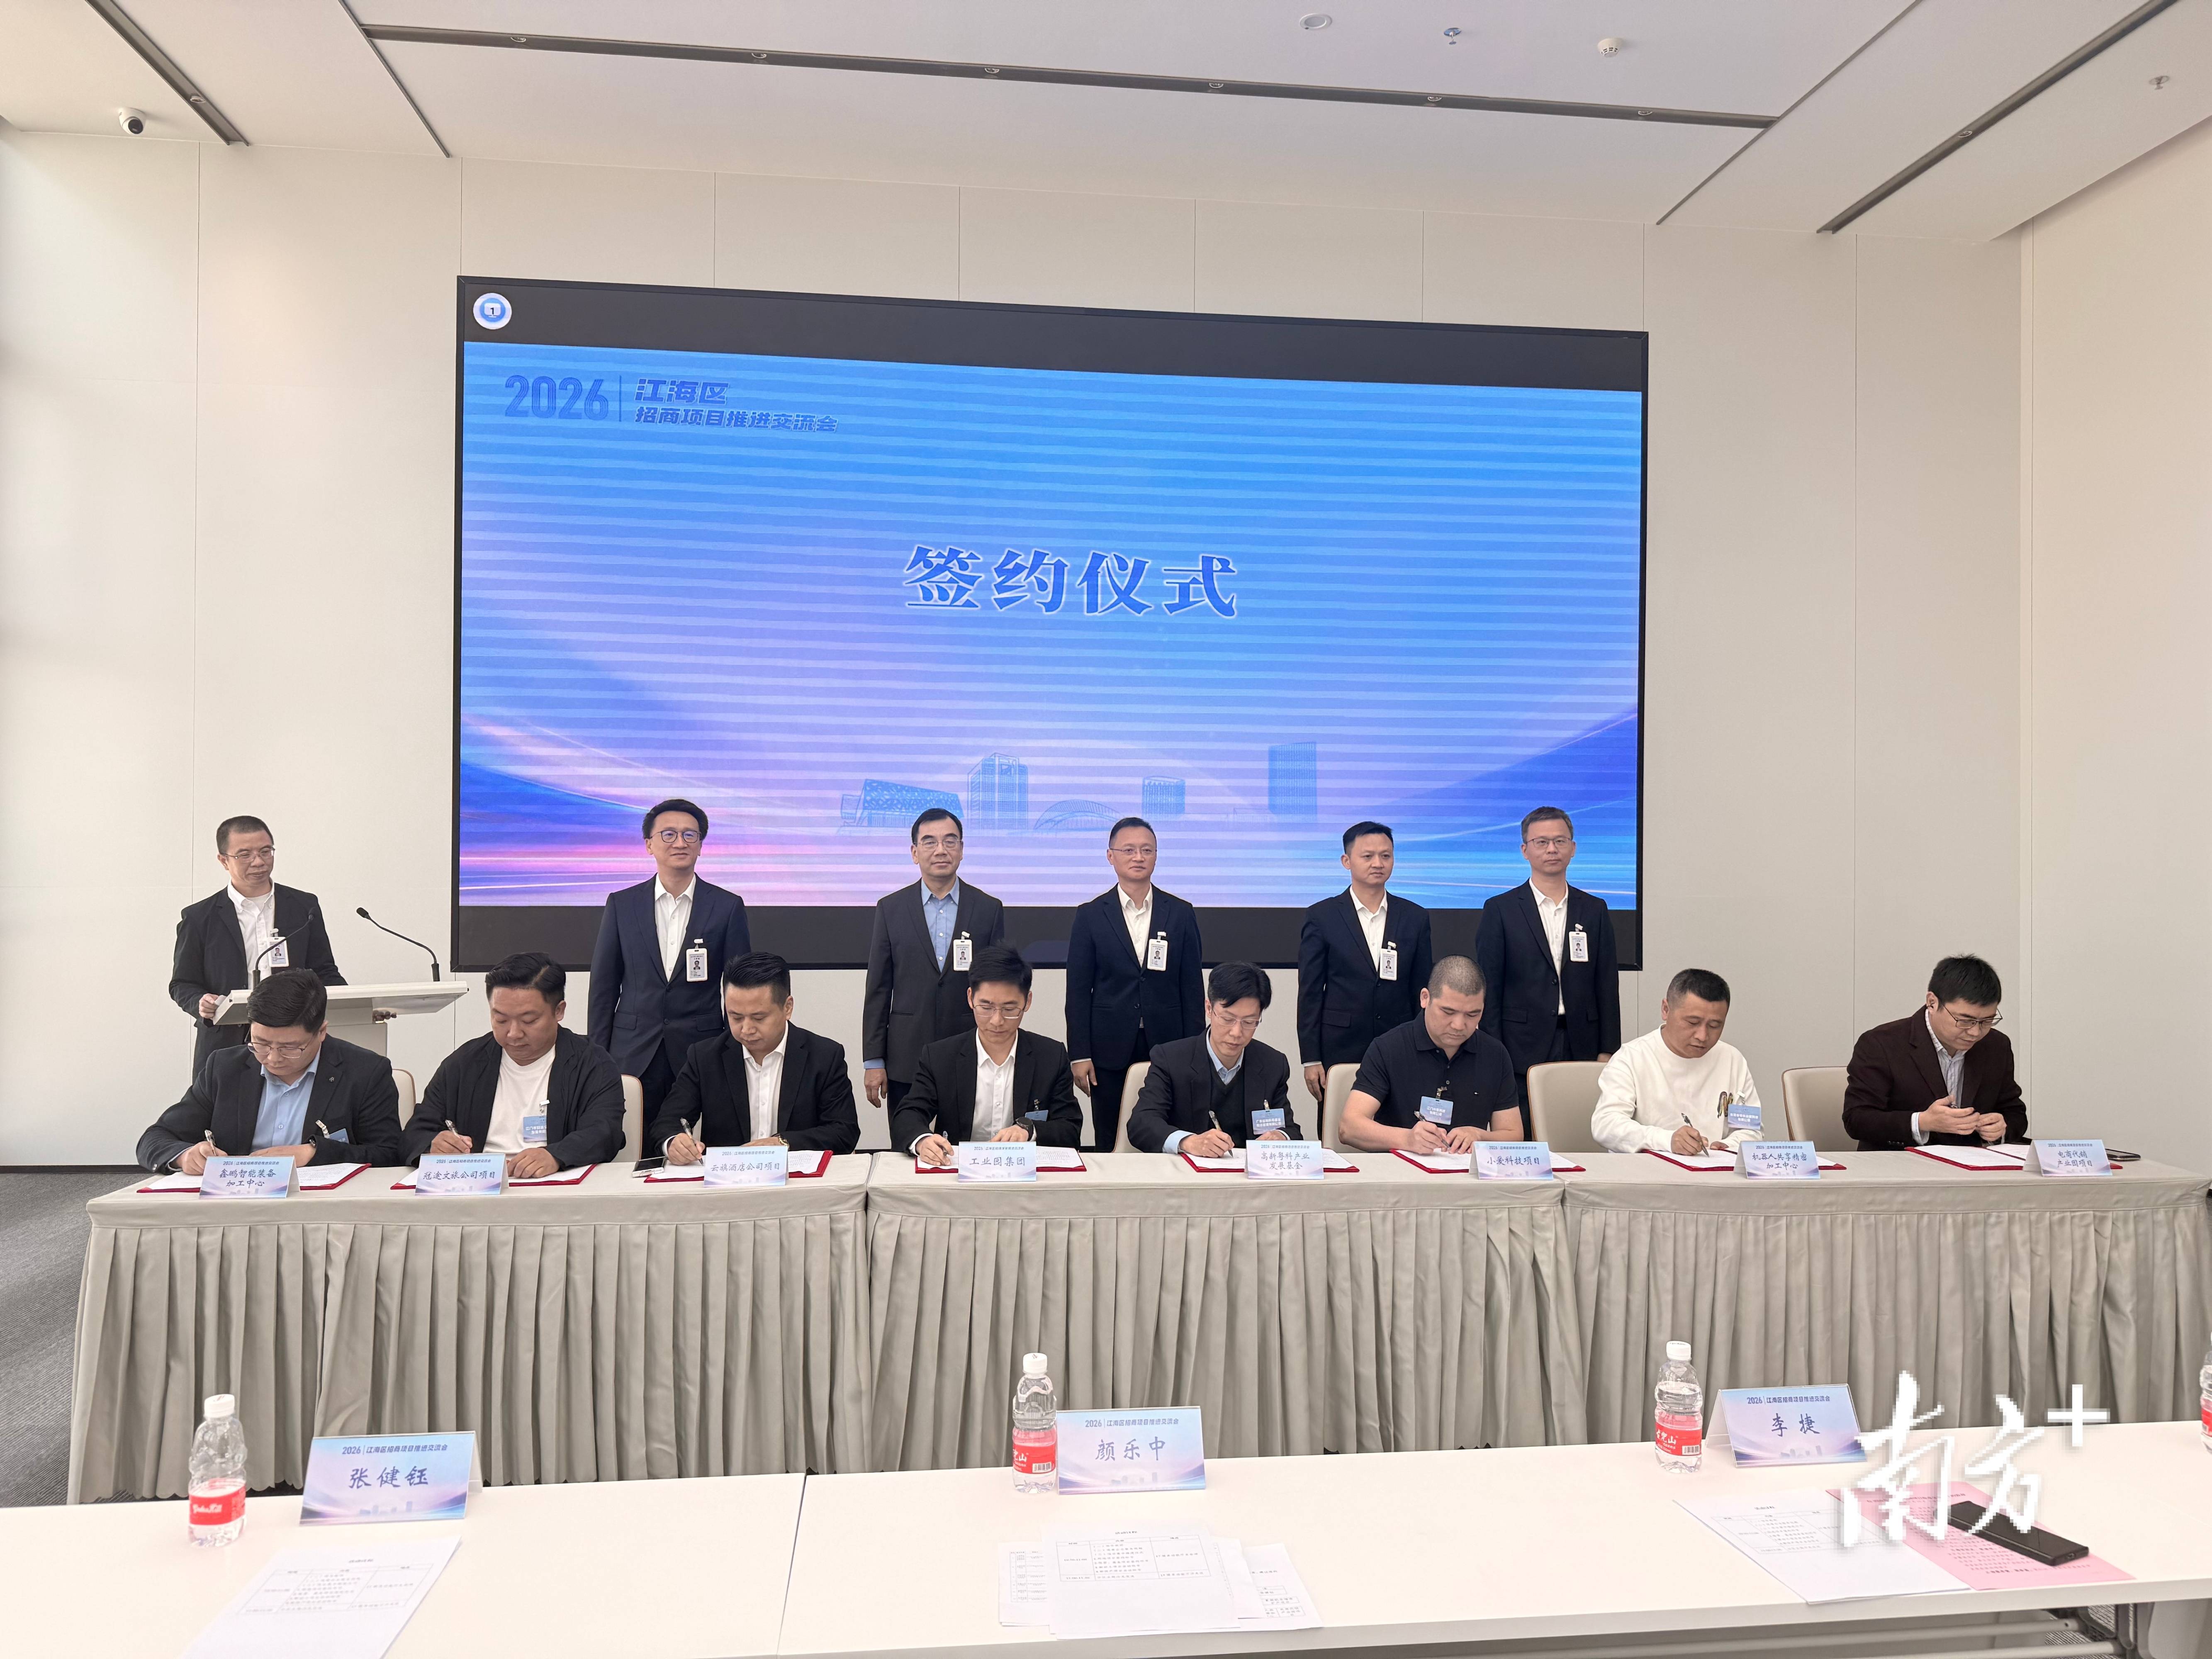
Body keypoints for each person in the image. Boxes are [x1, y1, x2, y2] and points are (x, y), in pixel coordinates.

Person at [138, 969, 399, 1172]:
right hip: (235, 1201)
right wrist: (186, 1156)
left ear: (321, 1032)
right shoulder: (224, 1067)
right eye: (260, 1043)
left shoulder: (365, 1071)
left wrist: (314, 1153)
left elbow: (390, 1153)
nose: (273, 1059)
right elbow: (156, 1138)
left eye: (290, 1048)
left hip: (322, 1206)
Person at [588, 798, 750, 1124]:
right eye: (669, 834)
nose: (680, 843)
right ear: (649, 844)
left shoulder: (727, 906)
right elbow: (604, 987)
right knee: (633, 1141)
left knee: (698, 1143)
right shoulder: (622, 905)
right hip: (633, 1050)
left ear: (701, 845)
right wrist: (597, 1056)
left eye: (690, 835)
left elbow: (740, 987)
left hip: (701, 1049)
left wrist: (736, 1050)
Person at [404, 952, 625, 1177]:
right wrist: (433, 1144)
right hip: (477, 1184)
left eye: (529, 1021)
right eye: (501, 1020)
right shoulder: (464, 1064)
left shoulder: (592, 1064)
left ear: (559, 1011)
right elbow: (416, 1132)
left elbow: (605, 1132)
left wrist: (556, 1155)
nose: (513, 1033)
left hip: (555, 1185)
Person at [169, 815, 346, 1080]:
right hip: (226, 1043)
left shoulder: (304, 906)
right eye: (245, 855)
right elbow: (182, 984)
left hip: (294, 1042)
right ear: (223, 860)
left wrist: (355, 1005)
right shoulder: (199, 918)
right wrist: (201, 1003)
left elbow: (324, 971)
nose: (259, 862)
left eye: (266, 851)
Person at [1064, 817, 1204, 1151]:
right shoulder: (1090, 915)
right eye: (1128, 850)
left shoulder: (1180, 913)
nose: (1138, 857)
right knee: (1110, 1135)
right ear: (1110, 856)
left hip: (1169, 1043)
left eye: (1146, 850)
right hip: (1108, 1046)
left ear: (1156, 856)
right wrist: (1079, 1054)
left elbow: (1191, 989)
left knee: (1170, 1131)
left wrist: (1196, 1050)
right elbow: (1078, 991)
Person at [862, 808, 1006, 1115]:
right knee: (907, 1138)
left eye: (950, 841)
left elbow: (999, 988)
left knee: (965, 1139)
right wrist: (874, 1060)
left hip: (971, 1051)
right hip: (905, 1055)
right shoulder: (890, 909)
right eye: (930, 842)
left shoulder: (988, 909)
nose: (941, 850)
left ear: (962, 850)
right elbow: (878, 990)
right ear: (915, 853)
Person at [651, 953, 861, 1159]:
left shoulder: (824, 1056)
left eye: (759, 1018)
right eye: (736, 1017)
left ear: (788, 1008)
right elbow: (667, 1123)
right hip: (728, 1178)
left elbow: (844, 1132)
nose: (747, 1029)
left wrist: (782, 1143)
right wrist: (674, 1142)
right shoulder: (705, 1057)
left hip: (796, 1177)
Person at [1475, 806, 1621, 1101]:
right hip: (1519, 1046)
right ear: (1525, 851)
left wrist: (1609, 1049)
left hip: (1582, 1043)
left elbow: (1606, 983)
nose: (1552, 849)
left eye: (1560, 841)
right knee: (1525, 1123)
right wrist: (1493, 1050)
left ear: (1573, 848)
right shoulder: (1500, 910)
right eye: (1541, 842)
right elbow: (1490, 987)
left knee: (1579, 1121)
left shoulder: (1594, 909)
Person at [894, 947, 1083, 1163]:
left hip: (1023, 1172)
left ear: (1027, 1002)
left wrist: (1030, 1131)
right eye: (986, 1007)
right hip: (958, 1171)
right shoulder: (940, 1057)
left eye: (1009, 1009)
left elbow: (1070, 1128)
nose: (997, 1021)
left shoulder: (1051, 1056)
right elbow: (908, 1114)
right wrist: (922, 1140)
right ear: (970, 998)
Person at [1296, 821, 1433, 1107]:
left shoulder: (1415, 917)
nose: (1378, 864)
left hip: (1400, 1043)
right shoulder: (1322, 916)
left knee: (1398, 1122)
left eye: (1386, 856)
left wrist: (1424, 1047)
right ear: (1346, 861)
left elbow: (1421, 991)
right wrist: (1311, 1058)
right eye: (1368, 856)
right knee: (1338, 1124)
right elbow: (1310, 992)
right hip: (1339, 1047)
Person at [1842, 954, 2027, 1152]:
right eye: (1965, 1021)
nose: (1975, 1032)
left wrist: (2001, 1127)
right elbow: (1857, 1119)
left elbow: (2015, 1113)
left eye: (1987, 1021)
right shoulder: (1881, 1044)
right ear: (1932, 1003)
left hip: (1971, 1165)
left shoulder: (1996, 1045)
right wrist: (1922, 1122)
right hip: (1899, 1164)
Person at [1338, 957, 1522, 1153]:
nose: (1459, 1025)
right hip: (1402, 1168)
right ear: (1425, 998)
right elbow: (1349, 1128)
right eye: (1448, 1012)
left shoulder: (1495, 1054)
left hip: (1466, 1169)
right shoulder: (1388, 1048)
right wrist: (1407, 1139)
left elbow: (1514, 1134)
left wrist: (1480, 1136)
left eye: (1472, 1015)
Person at [1127, 961, 1300, 1154]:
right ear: (1209, 1009)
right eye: (1228, 1019)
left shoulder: (1273, 1064)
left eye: (1249, 1022)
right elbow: (1141, 1123)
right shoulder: (1171, 1059)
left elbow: (1290, 1129)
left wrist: (1280, 1136)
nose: (1237, 1032)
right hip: (1187, 1170)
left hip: (1248, 1171)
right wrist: (1188, 1142)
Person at [1591, 968, 1760, 1155]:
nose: (1703, 1036)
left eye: (1714, 1026)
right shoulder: (1632, 1058)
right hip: (1647, 1170)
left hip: (1715, 1169)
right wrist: (1666, 1140)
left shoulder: (1732, 1059)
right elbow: (1606, 1125)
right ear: (1666, 1010)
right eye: (1693, 1023)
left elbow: (1751, 1130)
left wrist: (1729, 1146)